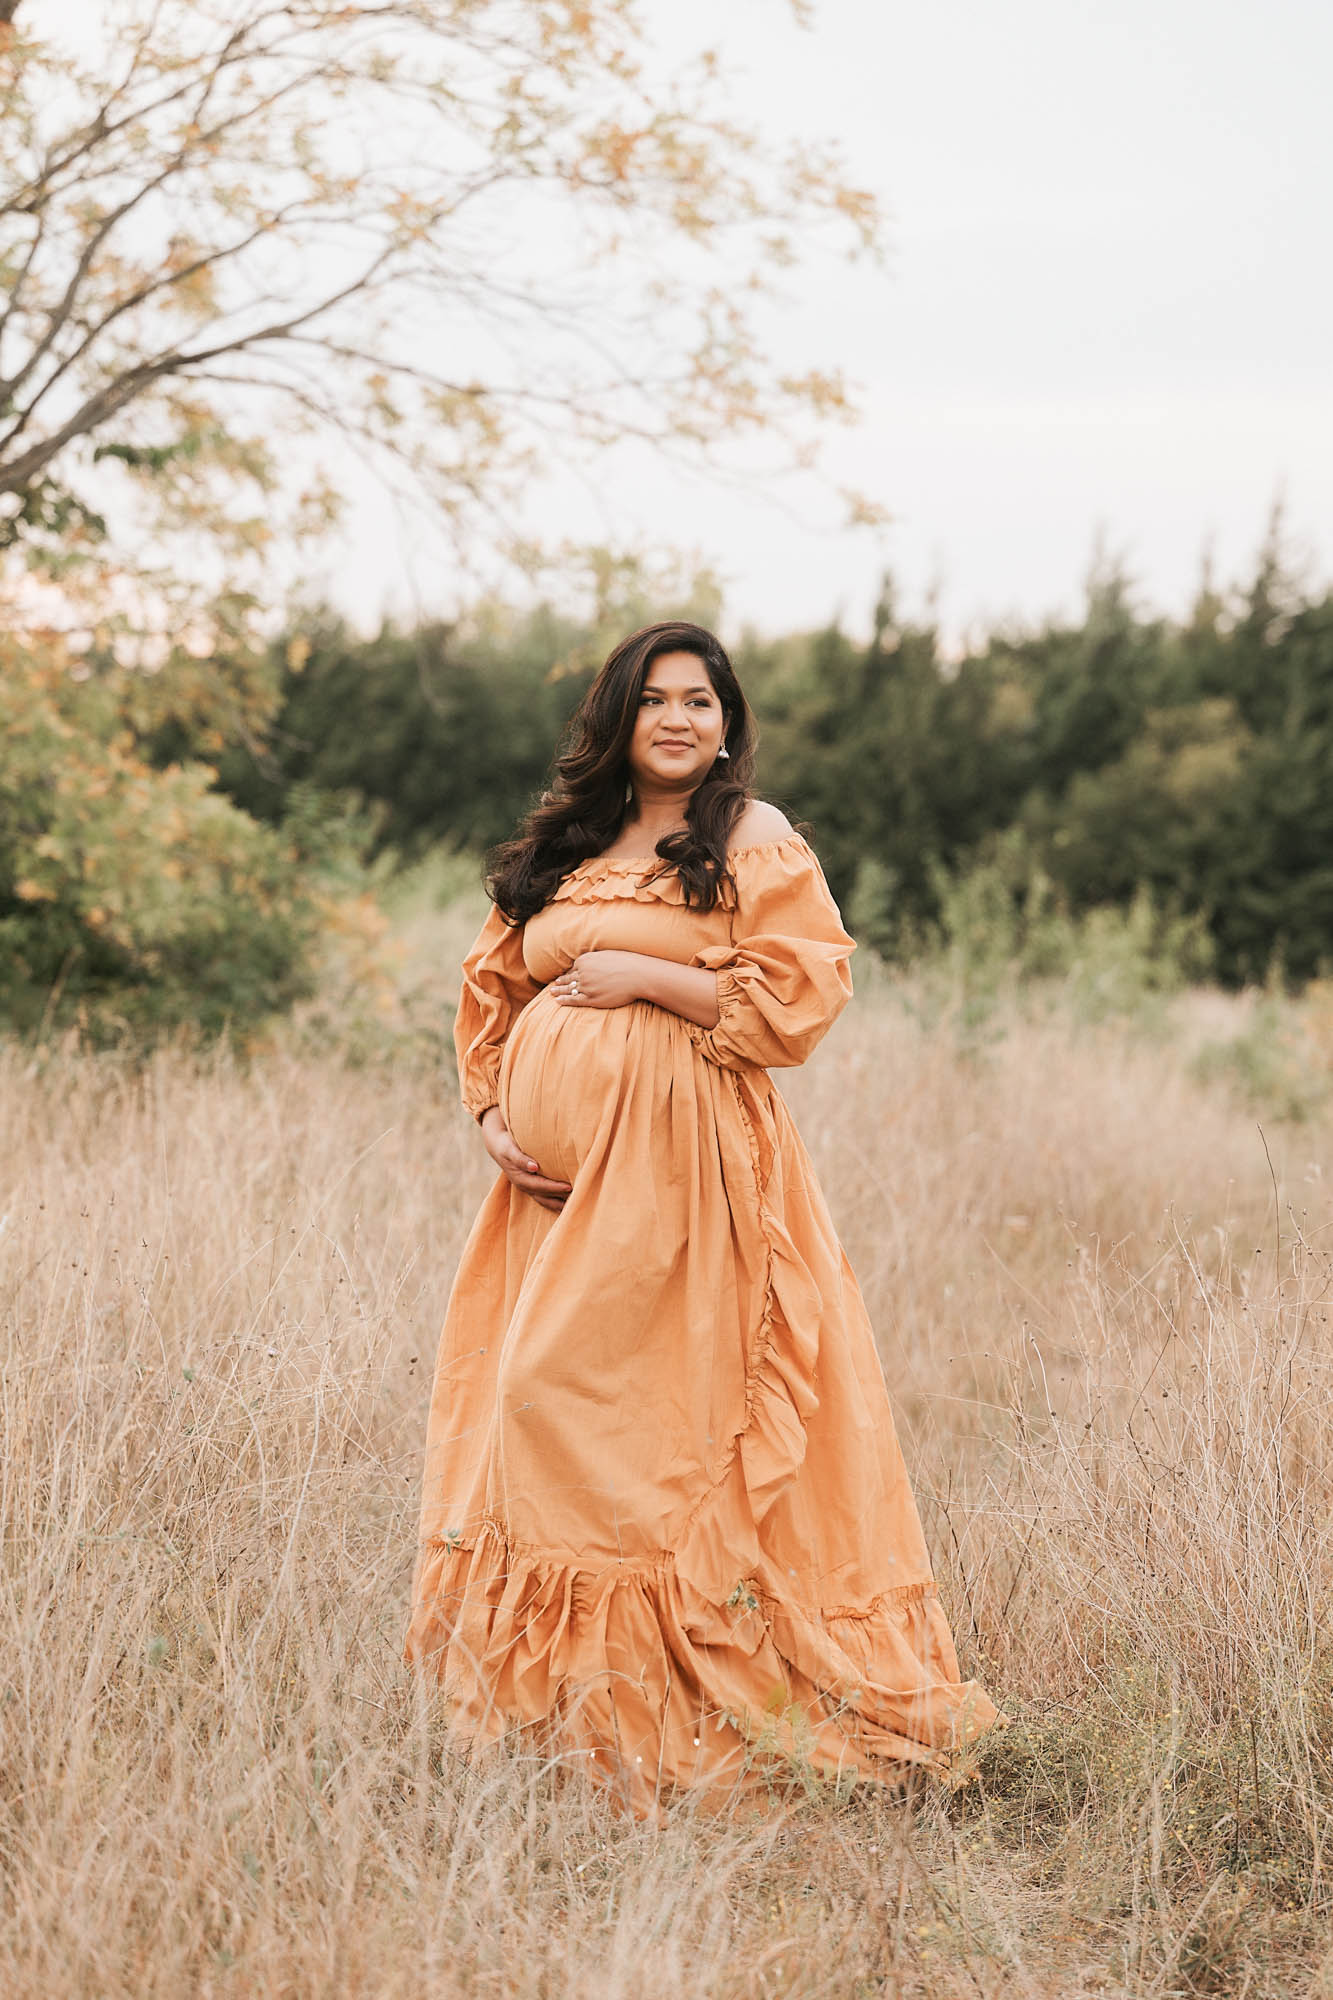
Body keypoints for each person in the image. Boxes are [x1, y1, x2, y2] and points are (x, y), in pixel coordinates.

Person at [404, 619, 1001, 1812]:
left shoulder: (749, 835)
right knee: (526, 1406)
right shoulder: (569, 842)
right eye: (657, 699)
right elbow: (493, 983)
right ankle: (555, 1726)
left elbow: (801, 994)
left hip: (686, 1181)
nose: (680, 719)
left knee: (622, 1419)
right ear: (617, 716)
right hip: (552, 1194)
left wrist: (649, 978)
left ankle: (693, 1710)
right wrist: (491, 1113)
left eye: (703, 701)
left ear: (726, 722)